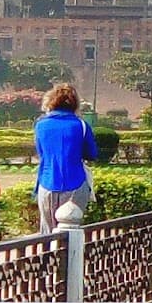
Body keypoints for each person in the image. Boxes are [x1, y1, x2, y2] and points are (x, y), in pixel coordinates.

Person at [34, 84, 98, 235]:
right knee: (70, 230)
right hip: (75, 182)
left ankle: (46, 258)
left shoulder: (40, 125)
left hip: (47, 182)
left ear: (50, 101)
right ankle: (71, 258)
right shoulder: (81, 125)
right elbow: (92, 154)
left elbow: (41, 152)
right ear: (75, 103)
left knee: (47, 233)